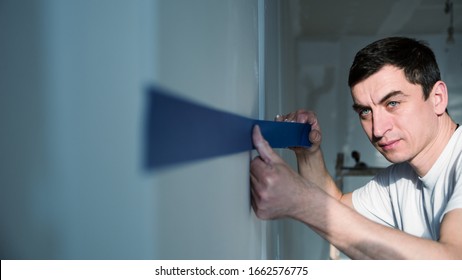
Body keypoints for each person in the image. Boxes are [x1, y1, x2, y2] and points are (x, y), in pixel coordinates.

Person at [250, 37, 462, 259]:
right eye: (365, 112)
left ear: (438, 98)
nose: (377, 130)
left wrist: (301, 202)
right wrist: (308, 153)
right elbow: (335, 208)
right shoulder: (400, 179)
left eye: (392, 103)